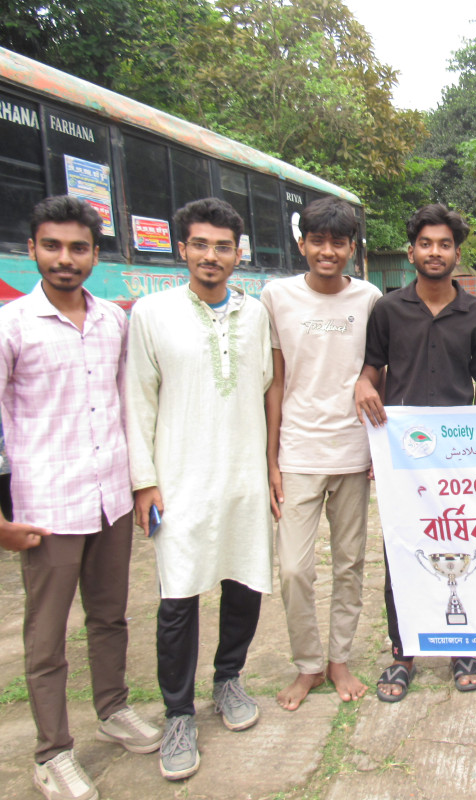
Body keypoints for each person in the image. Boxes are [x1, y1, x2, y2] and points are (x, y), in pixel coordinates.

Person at [0, 196, 160, 800]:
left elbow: (128, 406)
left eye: (78, 248)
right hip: (47, 509)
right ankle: (52, 753)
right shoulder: (12, 325)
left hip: (110, 498)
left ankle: (113, 708)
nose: (64, 259)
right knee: (46, 637)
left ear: (95, 254)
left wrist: (140, 485)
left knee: (110, 616)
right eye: (52, 246)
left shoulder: (113, 321)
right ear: (32, 250)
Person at [126, 198, 274, 780]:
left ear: (239, 255)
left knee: (245, 581)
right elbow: (138, 399)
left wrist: (270, 468)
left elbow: (266, 387)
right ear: (182, 249)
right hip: (179, 482)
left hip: (242, 477)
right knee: (178, 595)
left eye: (223, 246)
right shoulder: (151, 313)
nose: (212, 256)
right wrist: (144, 482)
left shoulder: (255, 315)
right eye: (201, 245)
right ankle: (178, 713)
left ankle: (228, 679)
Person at [355, 204, 476, 702]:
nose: (435, 252)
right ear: (412, 251)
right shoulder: (387, 310)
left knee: (463, 548)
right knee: (402, 551)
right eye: (426, 244)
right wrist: (361, 385)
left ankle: (463, 646)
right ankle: (403, 652)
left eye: (445, 245)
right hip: (403, 459)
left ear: (457, 253)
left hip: (457, 458)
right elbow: (372, 371)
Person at [262, 197, 381, 710]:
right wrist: (271, 459)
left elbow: (377, 371)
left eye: (337, 242)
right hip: (298, 452)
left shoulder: (369, 298)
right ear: (302, 243)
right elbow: (275, 381)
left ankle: (339, 659)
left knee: (350, 563)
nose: (327, 251)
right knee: (293, 569)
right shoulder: (277, 296)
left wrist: (376, 445)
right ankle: (308, 664)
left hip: (352, 450)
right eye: (317, 241)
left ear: (352, 247)